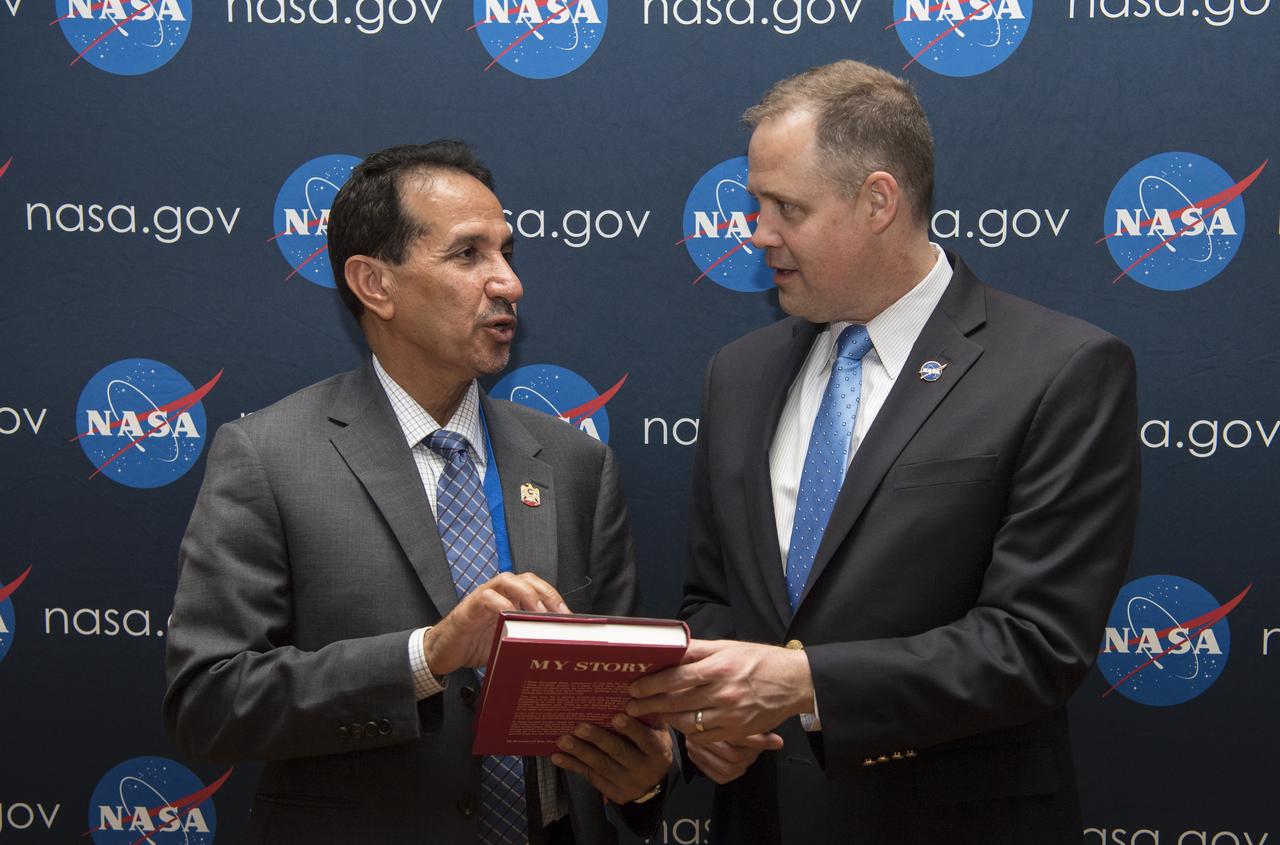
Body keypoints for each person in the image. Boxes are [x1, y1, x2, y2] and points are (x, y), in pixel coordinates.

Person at [628, 61, 1140, 843]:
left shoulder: (1060, 370)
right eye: (756, 205)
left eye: (786, 208)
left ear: (878, 201)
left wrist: (805, 683)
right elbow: (713, 597)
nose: (757, 233)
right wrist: (707, 719)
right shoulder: (739, 373)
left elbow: (1035, 645)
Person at [164, 141, 672, 845]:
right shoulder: (269, 458)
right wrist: (426, 657)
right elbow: (209, 704)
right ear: (375, 283)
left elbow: (628, 702)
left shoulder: (574, 462)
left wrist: (645, 777)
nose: (509, 283)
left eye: (507, 253)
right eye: (468, 254)